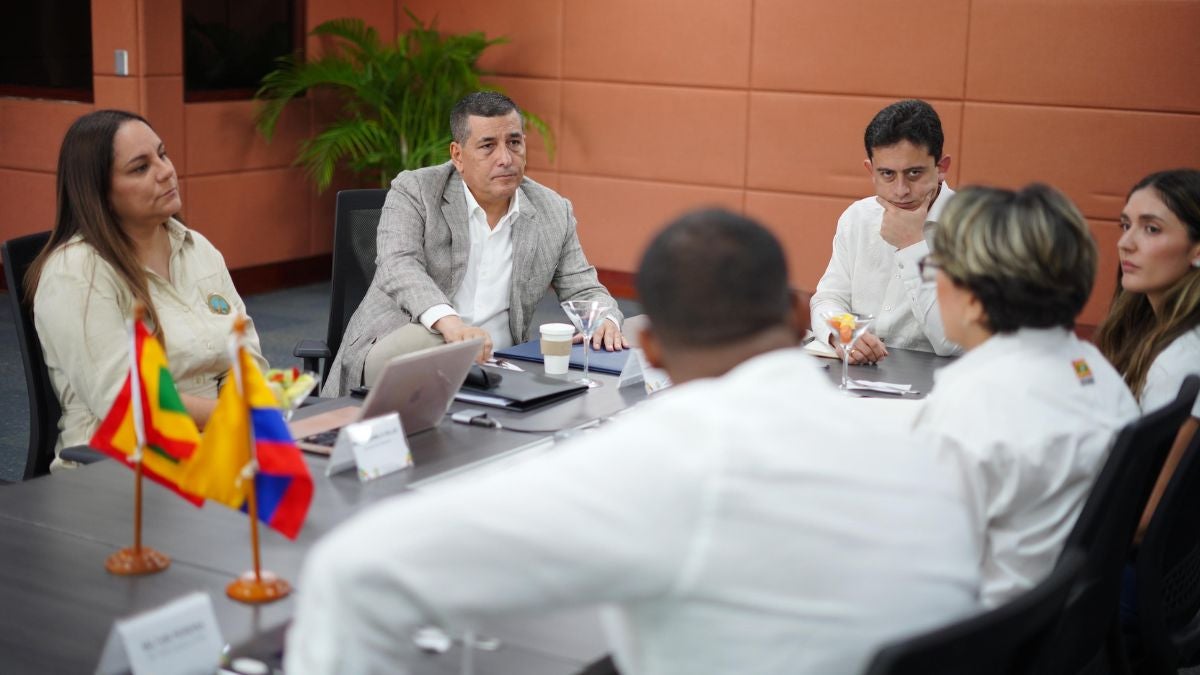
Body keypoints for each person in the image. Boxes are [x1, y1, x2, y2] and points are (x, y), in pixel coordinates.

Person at [286, 209, 980, 675]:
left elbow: (353, 574)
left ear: (645, 346)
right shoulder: (918, 435)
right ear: (798, 312)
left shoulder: (678, 456)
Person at [913, 184, 1140, 607]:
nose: (932, 280)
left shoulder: (969, 405)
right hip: (1059, 623)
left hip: (977, 635)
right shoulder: (1093, 370)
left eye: (935, 267)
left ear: (976, 300)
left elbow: (918, 562)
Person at [324, 91, 626, 397]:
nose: (505, 158)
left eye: (514, 143)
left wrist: (605, 321)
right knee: (436, 350)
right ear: (457, 155)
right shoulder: (415, 189)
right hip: (407, 340)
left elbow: (584, 288)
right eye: (487, 146)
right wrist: (452, 325)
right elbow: (398, 265)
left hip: (497, 364)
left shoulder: (552, 210)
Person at [26, 109, 266, 470]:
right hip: (122, 468)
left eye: (163, 154)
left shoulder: (196, 247)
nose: (166, 170)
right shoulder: (76, 271)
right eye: (140, 167)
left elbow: (247, 358)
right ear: (100, 194)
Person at [810, 99, 961, 363]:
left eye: (914, 173)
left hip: (937, 388)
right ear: (871, 170)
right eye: (887, 174)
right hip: (862, 377)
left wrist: (912, 245)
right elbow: (829, 299)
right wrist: (846, 333)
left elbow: (954, 340)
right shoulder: (857, 217)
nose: (901, 190)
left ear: (941, 168)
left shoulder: (974, 227)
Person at [1095, 168, 1200, 535]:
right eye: (1126, 225)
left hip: (1116, 566)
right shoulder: (1151, 331)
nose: (1126, 242)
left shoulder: (1180, 361)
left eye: (1151, 229)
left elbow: (1146, 521)